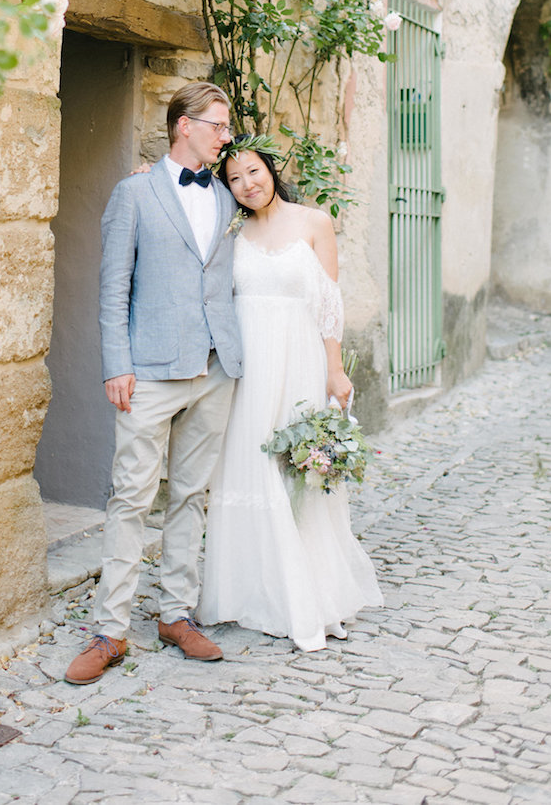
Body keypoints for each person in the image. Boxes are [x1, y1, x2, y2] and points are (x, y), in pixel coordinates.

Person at [65, 81, 244, 685]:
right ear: (183, 126)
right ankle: (110, 630)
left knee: (191, 494)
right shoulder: (134, 193)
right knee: (131, 497)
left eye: (227, 127)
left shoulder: (225, 199)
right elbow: (114, 284)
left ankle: (175, 614)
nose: (226, 136)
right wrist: (117, 364)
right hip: (149, 371)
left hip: (216, 368)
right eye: (218, 125)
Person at [198, 138, 382, 650]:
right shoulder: (232, 231)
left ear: (270, 170)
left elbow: (329, 305)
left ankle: (307, 592)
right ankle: (247, 593)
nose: (247, 184)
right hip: (249, 366)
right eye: (234, 179)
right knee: (248, 466)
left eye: (253, 172)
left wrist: (335, 369)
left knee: (293, 470)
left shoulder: (314, 222)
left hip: (299, 358)